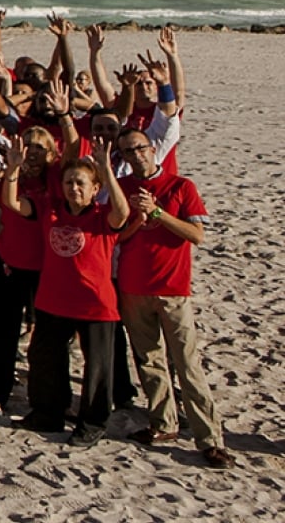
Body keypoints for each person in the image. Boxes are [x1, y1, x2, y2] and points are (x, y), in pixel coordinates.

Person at [113, 126, 232, 468]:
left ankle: (209, 438)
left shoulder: (181, 186)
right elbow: (117, 236)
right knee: (149, 361)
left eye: (139, 149)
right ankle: (162, 423)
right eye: (128, 152)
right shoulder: (122, 188)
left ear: (152, 149)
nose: (136, 156)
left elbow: (197, 235)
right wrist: (137, 217)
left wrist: (158, 213)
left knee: (187, 364)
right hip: (134, 288)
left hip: (173, 289)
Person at [2, 137, 129, 445]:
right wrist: (13, 169)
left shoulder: (101, 217)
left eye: (81, 183)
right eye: (70, 182)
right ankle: (48, 413)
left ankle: (92, 423)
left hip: (95, 304)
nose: (74, 188)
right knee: (45, 358)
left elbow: (122, 214)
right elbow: (12, 203)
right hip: (54, 299)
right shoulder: (51, 209)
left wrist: (106, 171)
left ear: (94, 189)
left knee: (97, 366)